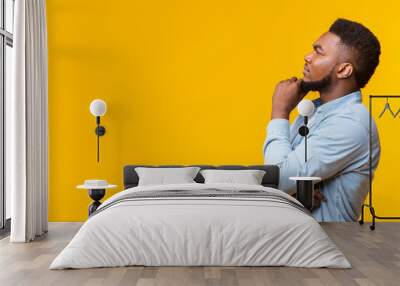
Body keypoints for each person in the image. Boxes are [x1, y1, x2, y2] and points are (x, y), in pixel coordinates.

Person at [263, 18, 381, 222]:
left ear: (344, 70)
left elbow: (276, 178)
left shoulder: (350, 123)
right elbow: (280, 180)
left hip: (326, 246)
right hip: (298, 240)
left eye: (318, 51)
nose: (308, 57)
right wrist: (296, 194)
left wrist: (280, 112)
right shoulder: (314, 112)